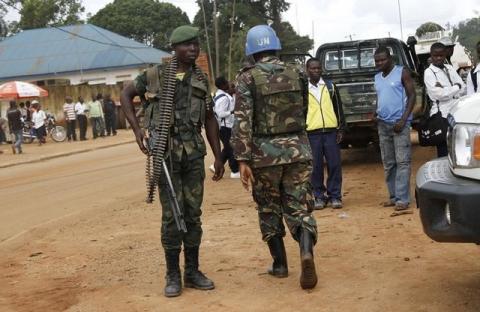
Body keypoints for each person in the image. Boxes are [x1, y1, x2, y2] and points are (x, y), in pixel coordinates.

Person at [120, 25, 224, 298]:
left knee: (193, 215)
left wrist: (219, 154)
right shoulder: (153, 76)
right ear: (174, 49)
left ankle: (192, 271)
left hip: (192, 155)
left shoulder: (201, 79)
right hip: (165, 155)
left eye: (196, 45)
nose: (193, 49)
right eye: (187, 45)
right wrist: (137, 129)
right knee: (171, 217)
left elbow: (210, 118)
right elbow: (125, 95)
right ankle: (172, 274)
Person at [231, 25, 318, 290]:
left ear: (251, 51)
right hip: (298, 149)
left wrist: (242, 159)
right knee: (299, 205)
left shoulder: (247, 79)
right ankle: (306, 252)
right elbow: (303, 109)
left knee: (268, 207)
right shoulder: (297, 72)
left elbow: (242, 120)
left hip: (263, 156)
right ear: (276, 46)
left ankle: (280, 265)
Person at [373, 46, 416, 212]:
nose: (379, 63)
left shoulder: (402, 72)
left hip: (400, 124)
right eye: (377, 60)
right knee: (389, 163)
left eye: (382, 59)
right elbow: (380, 97)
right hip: (383, 124)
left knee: (403, 162)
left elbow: (412, 95)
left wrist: (404, 119)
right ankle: (393, 197)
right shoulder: (377, 77)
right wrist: (376, 113)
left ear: (390, 58)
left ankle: (403, 199)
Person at [305, 57, 346, 209]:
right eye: (312, 68)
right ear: (307, 70)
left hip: (330, 132)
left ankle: (335, 196)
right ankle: (319, 196)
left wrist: (341, 128)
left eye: (318, 68)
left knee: (334, 164)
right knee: (315, 167)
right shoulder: (304, 89)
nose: (316, 71)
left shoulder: (330, 86)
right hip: (312, 133)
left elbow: (339, 109)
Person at [424, 42, 466, 157]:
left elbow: (464, 87)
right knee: (443, 150)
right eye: (435, 56)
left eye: (441, 55)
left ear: (445, 55)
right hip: (441, 116)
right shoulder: (429, 72)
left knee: (457, 148)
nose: (438, 58)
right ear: (431, 55)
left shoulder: (449, 68)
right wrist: (455, 87)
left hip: (456, 112)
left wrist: (447, 89)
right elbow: (439, 95)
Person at [210, 76, 239, 178]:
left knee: (227, 148)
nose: (228, 83)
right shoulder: (224, 98)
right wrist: (231, 112)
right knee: (231, 149)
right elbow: (221, 113)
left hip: (223, 126)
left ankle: (216, 166)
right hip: (225, 127)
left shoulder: (219, 95)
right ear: (223, 85)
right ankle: (235, 171)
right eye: (227, 82)